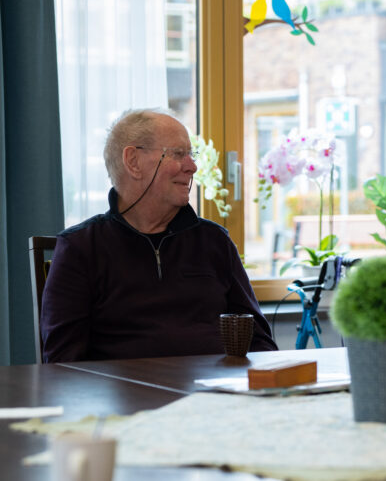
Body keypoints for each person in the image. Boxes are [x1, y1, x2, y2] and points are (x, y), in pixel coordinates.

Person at [41, 108, 277, 362]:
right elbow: (62, 364)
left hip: (215, 395)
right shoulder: (81, 248)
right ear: (133, 162)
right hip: (127, 399)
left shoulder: (214, 241)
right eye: (177, 154)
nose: (192, 166)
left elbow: (259, 342)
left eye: (191, 154)